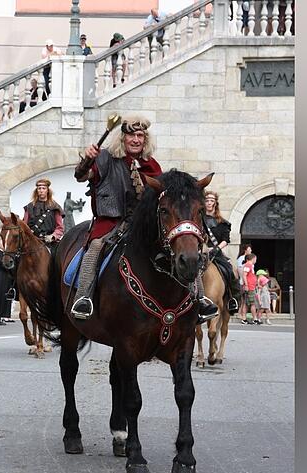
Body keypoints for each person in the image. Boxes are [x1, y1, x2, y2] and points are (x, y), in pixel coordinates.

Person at [72, 115, 218, 322]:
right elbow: (81, 176)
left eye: (140, 135)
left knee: (185, 246)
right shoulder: (104, 159)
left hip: (143, 223)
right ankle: (83, 297)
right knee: (96, 246)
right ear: (122, 138)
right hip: (112, 221)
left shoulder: (152, 165)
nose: (136, 139)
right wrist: (87, 159)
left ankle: (200, 298)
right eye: (131, 135)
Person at [203, 191, 242, 313]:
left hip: (216, 252)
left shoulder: (222, 223)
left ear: (215, 203)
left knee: (230, 272)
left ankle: (232, 300)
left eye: (211, 201)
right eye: (207, 200)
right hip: (200, 251)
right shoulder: (198, 219)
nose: (209, 203)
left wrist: (216, 249)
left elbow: (226, 240)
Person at [22, 178, 64, 252]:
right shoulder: (30, 207)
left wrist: (53, 236)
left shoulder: (55, 207)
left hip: (50, 243)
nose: (41, 190)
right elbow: (24, 226)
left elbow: (60, 227)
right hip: (32, 242)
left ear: (47, 190)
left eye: (43, 188)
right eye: (39, 188)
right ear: (37, 191)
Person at [241, 253, 261, 324]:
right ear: (253, 258)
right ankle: (254, 319)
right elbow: (244, 275)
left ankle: (244, 318)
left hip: (250, 286)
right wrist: (246, 285)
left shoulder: (250, 266)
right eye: (255, 259)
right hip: (249, 287)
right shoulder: (248, 265)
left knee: (246, 303)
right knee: (253, 303)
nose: (256, 260)